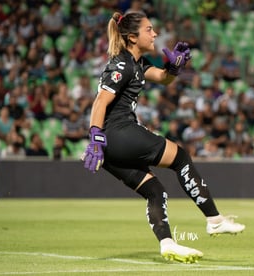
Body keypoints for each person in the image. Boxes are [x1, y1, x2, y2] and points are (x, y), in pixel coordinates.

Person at [81, 11, 245, 264]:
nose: (155, 33)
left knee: (155, 191)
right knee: (181, 157)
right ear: (133, 37)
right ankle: (214, 220)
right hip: (117, 133)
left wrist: (174, 67)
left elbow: (162, 78)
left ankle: (168, 244)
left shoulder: (137, 63)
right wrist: (95, 138)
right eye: (149, 29)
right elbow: (100, 101)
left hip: (111, 147)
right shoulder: (122, 64)